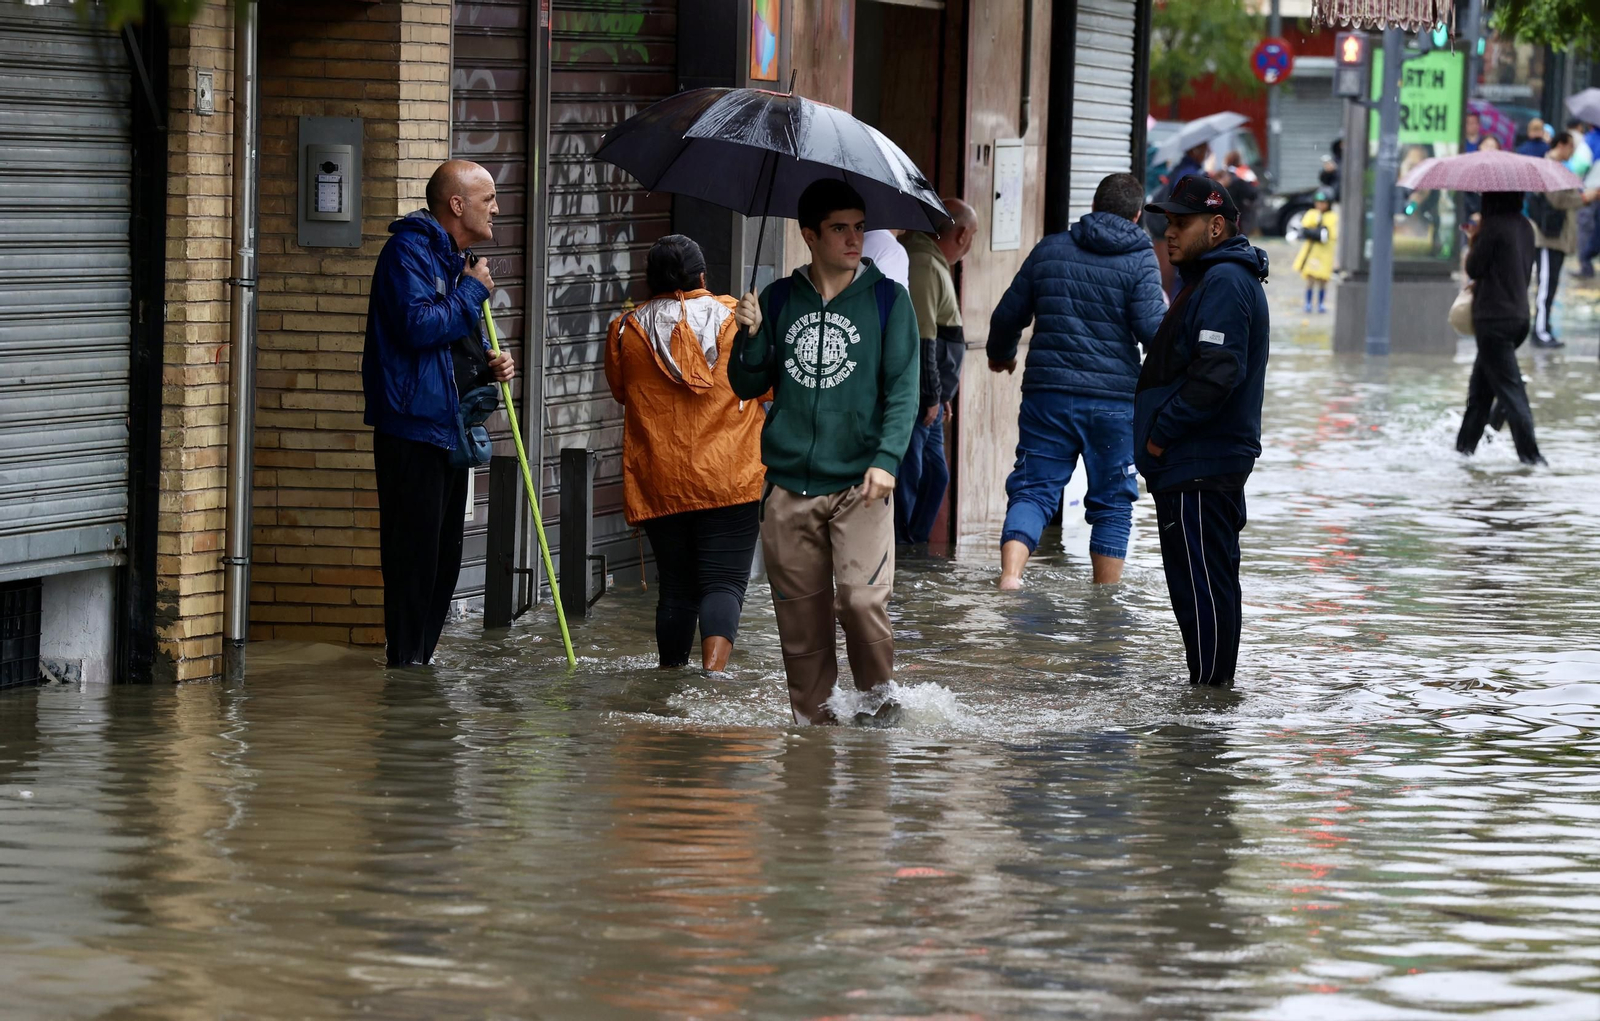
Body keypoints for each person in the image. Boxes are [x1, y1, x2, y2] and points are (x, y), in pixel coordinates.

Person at [728, 179, 921, 726]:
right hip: (788, 485)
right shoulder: (778, 299)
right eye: (840, 228)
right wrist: (749, 336)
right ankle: (813, 748)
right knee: (803, 631)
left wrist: (886, 460)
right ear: (809, 235)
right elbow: (745, 385)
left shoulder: (889, 300)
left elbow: (904, 390)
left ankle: (879, 712)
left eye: (859, 227)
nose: (855, 238)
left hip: (861, 484)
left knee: (860, 603)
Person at [362, 159, 515, 666]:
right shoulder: (408, 252)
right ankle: (404, 667)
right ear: (457, 204)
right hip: (413, 428)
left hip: (449, 428)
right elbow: (417, 327)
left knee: (444, 559)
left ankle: (418, 669)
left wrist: (489, 365)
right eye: (488, 198)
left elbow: (451, 342)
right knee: (414, 558)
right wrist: (473, 291)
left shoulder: (457, 258)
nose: (496, 207)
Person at [987, 173, 1166, 589]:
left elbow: (1007, 314)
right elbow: (1151, 330)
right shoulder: (1140, 259)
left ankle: (1010, 577)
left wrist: (1001, 355)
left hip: (1046, 396)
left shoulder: (1050, 249)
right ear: (1138, 215)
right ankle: (1105, 600)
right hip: (1113, 402)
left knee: (1033, 489)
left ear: (1094, 204)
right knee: (1113, 503)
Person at [603, 235, 765, 672]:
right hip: (730, 477)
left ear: (649, 280)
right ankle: (712, 681)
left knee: (675, 588)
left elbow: (622, 392)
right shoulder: (737, 320)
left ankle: (670, 677)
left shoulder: (624, 330)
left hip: (659, 479)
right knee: (725, 584)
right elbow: (767, 384)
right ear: (703, 277)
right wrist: (757, 329)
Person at [1136, 176, 1270, 688]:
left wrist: (1159, 436)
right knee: (1199, 590)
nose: (1169, 233)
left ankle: (1210, 708)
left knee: (1204, 591)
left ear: (1216, 226)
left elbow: (1217, 373)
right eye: (1166, 222)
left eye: (1181, 223)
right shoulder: (1210, 279)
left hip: (1199, 464)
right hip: (1193, 465)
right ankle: (1209, 702)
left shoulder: (1225, 282)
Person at [896, 198, 977, 545]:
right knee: (913, 473)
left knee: (934, 474)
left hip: (932, 392)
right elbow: (925, 337)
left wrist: (941, 394)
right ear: (961, 235)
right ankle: (903, 549)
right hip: (919, 392)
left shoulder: (931, 260)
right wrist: (931, 394)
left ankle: (913, 547)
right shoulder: (925, 263)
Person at [1455, 191, 1543, 465]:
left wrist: (1474, 238)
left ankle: (1532, 458)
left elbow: (1475, 267)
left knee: (1511, 391)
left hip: (1494, 321)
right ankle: (1463, 452)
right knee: (1480, 393)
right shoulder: (1526, 227)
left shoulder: (1493, 227)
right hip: (1518, 317)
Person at [1528, 132, 1584, 348]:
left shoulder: (1559, 168)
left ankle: (1545, 327)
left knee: (1551, 285)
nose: (1571, 152)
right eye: (1570, 147)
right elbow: (1557, 199)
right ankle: (1540, 330)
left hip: (1557, 237)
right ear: (1561, 145)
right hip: (1547, 237)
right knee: (1545, 286)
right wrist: (1583, 198)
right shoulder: (1548, 167)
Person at [1293, 191, 1337, 314]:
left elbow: (1329, 234)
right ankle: (1308, 302)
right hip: (1312, 251)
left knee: (1323, 280)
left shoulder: (1332, 217)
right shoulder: (1312, 214)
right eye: (1318, 202)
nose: (1320, 205)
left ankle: (1321, 303)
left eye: (1323, 203)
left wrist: (1316, 232)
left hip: (1325, 253)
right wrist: (1314, 232)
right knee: (1310, 278)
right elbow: (1305, 229)